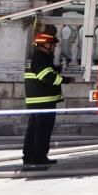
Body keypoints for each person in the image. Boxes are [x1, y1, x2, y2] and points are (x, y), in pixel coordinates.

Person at [22, 30, 64, 170]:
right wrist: (65, 79)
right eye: (52, 45)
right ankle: (39, 157)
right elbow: (46, 77)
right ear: (45, 45)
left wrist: (55, 70)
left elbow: (44, 74)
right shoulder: (41, 58)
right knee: (43, 130)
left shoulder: (38, 58)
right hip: (43, 102)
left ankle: (29, 156)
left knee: (33, 129)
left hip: (36, 101)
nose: (53, 48)